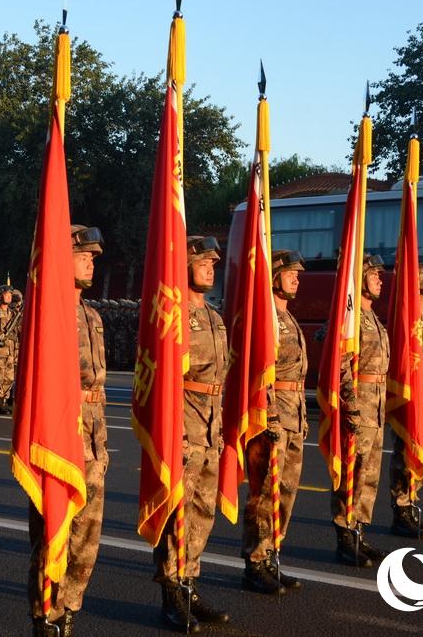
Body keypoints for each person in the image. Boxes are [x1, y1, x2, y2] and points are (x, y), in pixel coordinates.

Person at [28, 225, 109, 637]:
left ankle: (69, 612)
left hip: (93, 439)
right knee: (54, 535)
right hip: (61, 437)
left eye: (93, 257)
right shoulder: (46, 311)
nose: (91, 262)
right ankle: (47, 618)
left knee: (87, 539)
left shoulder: (91, 316)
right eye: (83, 255)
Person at [155, 236, 230, 633]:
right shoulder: (173, 314)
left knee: (202, 514)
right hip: (183, 428)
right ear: (182, 265)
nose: (209, 268)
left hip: (210, 428)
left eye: (213, 263)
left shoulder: (215, 317)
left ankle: (189, 585)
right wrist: (173, 433)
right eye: (202, 261)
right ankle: (171, 595)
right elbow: (164, 378)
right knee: (178, 516)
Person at [242, 249, 307, 594]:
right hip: (273, 417)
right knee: (264, 494)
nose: (297, 278)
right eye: (290, 273)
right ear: (274, 276)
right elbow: (259, 371)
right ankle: (254, 562)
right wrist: (269, 415)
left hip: (293, 416)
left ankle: (270, 556)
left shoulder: (288, 318)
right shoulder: (266, 317)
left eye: (298, 273)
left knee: (285, 495)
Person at [331, 254, 390, 567]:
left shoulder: (374, 319)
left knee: (369, 476)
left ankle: (359, 532)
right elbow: (339, 360)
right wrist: (350, 403)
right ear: (360, 278)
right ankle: (344, 535)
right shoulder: (351, 318)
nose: (381, 280)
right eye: (374, 275)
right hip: (359, 405)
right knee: (352, 473)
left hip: (376, 406)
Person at [390, 263, 423, 538]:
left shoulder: (422, 317)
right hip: (415, 393)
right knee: (407, 450)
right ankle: (401, 512)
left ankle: (410, 506)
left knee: (422, 451)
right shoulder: (411, 319)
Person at [0, 285, 20, 414]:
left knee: (10, 377)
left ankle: (5, 400)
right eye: (6, 295)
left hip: (10, 350)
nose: (9, 297)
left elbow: (17, 332)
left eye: (10, 295)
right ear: (0, 296)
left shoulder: (12, 314)